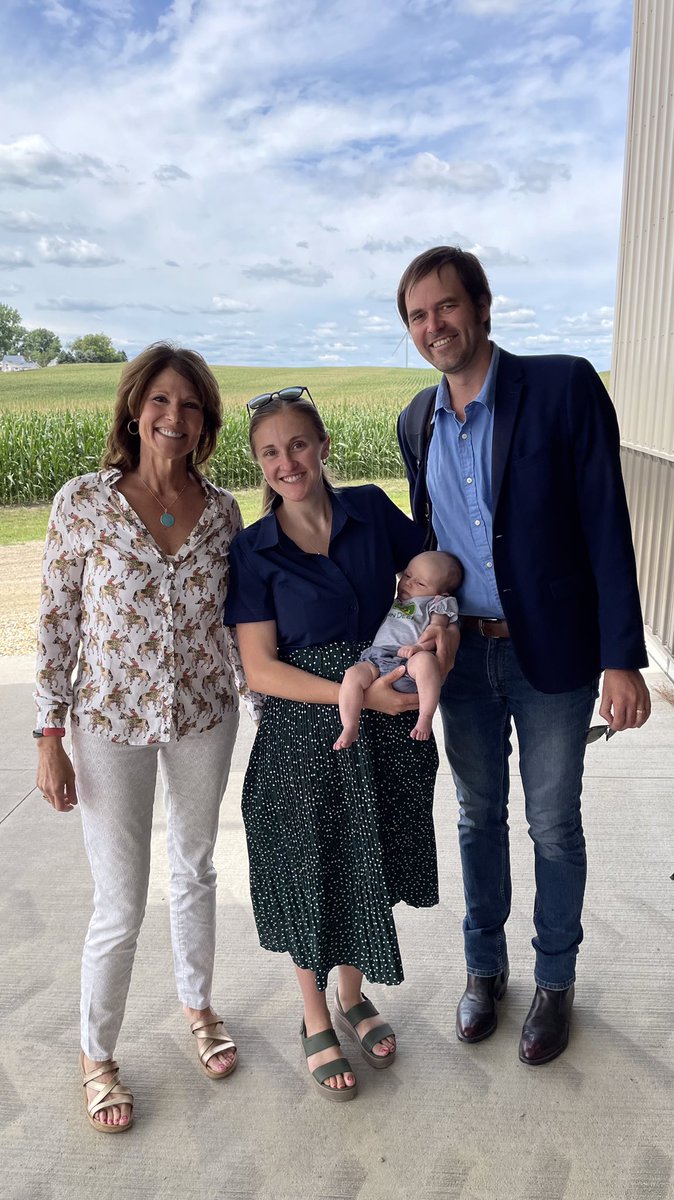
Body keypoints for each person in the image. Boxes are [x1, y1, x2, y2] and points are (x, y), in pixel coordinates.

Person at [396, 246, 651, 1065]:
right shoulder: (415, 421)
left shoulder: (565, 387)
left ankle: (555, 981)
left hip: (553, 657)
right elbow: (428, 553)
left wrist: (623, 657)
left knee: (551, 823)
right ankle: (484, 970)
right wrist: (409, 642)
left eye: (445, 306)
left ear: (481, 306)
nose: (434, 326)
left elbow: (606, 526)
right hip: (463, 660)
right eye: (418, 315)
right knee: (476, 818)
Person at [34, 342, 258, 1132]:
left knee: (195, 868)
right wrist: (47, 733)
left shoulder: (225, 511)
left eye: (190, 405)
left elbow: (240, 626)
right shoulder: (82, 503)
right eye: (161, 401)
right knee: (121, 902)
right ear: (135, 408)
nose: (174, 417)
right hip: (108, 724)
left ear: (206, 422)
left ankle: (198, 1006)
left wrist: (265, 705)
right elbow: (57, 623)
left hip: (203, 715)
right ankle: (98, 1054)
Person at [224, 386, 446, 1102]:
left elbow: (428, 585)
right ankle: (315, 1014)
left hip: (383, 717)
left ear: (322, 446)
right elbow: (259, 669)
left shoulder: (374, 511)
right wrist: (359, 695)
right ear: (258, 465)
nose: (286, 461)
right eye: (270, 452)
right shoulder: (253, 550)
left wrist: (432, 635)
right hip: (300, 731)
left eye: (297, 444)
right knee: (308, 866)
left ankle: (352, 995)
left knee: (369, 861)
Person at [333, 550, 461, 749]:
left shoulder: (437, 603)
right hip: (377, 657)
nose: (409, 583)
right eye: (408, 576)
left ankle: (425, 716)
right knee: (352, 675)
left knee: (426, 662)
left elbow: (436, 633)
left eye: (420, 583)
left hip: (411, 662)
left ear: (442, 593)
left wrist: (419, 647)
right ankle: (350, 724)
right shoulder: (397, 601)